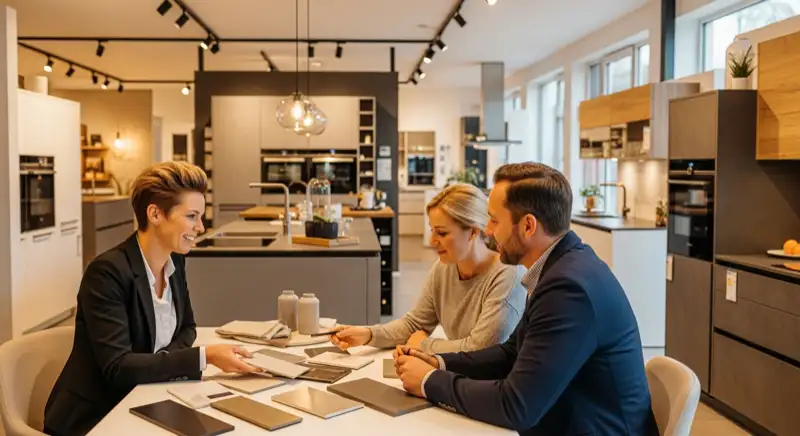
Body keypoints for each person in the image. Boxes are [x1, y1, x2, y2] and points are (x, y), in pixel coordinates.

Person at [395, 163, 658, 436]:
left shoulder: (568, 289)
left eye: (494, 220)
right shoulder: (563, 266)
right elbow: (512, 352)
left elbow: (516, 406)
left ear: (528, 226)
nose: (487, 230)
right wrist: (440, 363)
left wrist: (429, 381)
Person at [44, 162, 261, 436]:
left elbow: (187, 328)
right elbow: (118, 368)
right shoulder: (107, 273)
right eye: (192, 216)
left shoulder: (175, 262)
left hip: (146, 397)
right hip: (97, 416)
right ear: (155, 214)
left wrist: (158, 365)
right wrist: (203, 356)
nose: (201, 227)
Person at [331, 183, 526, 354]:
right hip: (461, 373)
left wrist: (424, 345)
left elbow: (481, 349)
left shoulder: (507, 275)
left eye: (442, 233)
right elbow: (415, 324)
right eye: (432, 231)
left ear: (473, 232)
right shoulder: (444, 268)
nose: (433, 241)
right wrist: (368, 334)